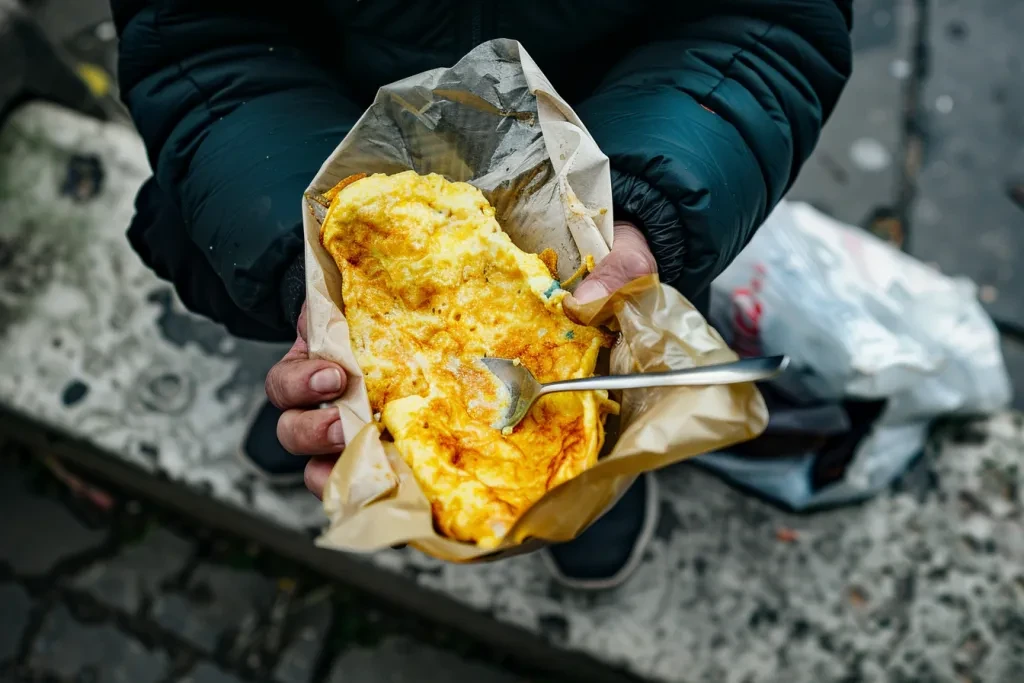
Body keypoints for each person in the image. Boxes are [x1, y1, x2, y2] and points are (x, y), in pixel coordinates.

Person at [111, 1, 852, 590]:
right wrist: (300, 254)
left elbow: (772, 24)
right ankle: (338, 392)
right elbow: (194, 35)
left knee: (603, 399)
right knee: (336, 366)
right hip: (309, 140)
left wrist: (645, 202)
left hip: (610, 161)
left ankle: (590, 494)